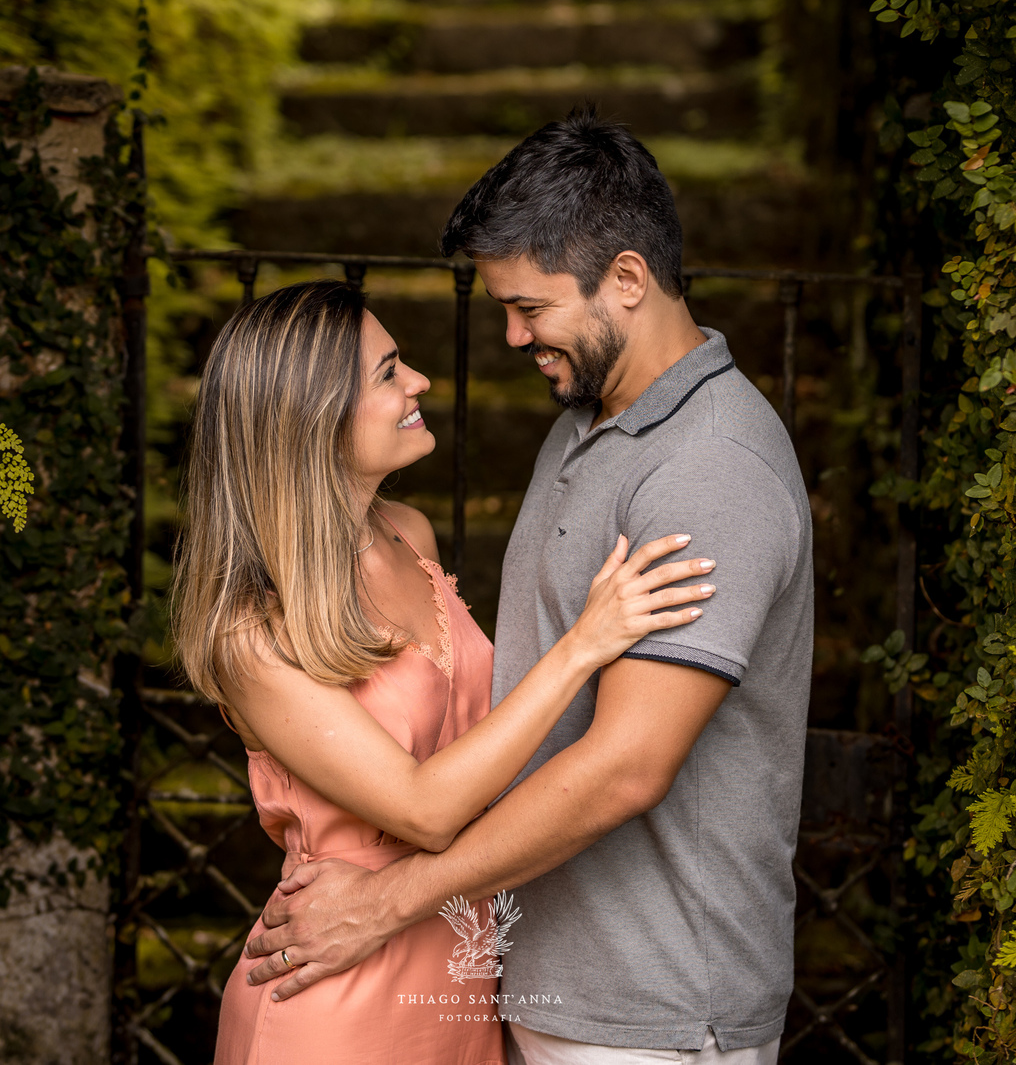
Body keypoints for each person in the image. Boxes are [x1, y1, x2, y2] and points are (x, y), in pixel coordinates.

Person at [243, 108, 814, 1065]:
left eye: (530, 307)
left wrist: (387, 899)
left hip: (656, 1013)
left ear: (626, 279)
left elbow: (628, 763)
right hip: (528, 982)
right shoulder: (588, 421)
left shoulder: (709, 466)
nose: (509, 335)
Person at [171, 275, 718, 1065]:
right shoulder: (250, 630)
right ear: (311, 419)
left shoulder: (409, 534)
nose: (419, 380)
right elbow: (423, 810)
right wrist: (585, 644)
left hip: (460, 967)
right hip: (336, 988)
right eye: (388, 371)